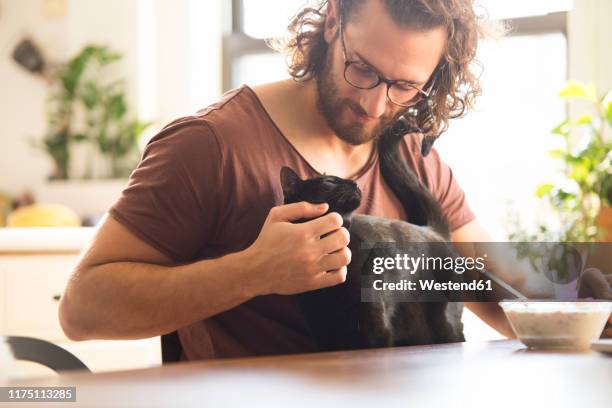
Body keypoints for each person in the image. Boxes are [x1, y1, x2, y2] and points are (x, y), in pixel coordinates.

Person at [58, 0, 610, 360]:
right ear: (332, 21)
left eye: (403, 85)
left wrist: (586, 307)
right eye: (362, 68)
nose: (375, 104)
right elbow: (82, 309)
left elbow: (495, 289)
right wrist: (251, 272)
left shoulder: (412, 154)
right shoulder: (211, 146)